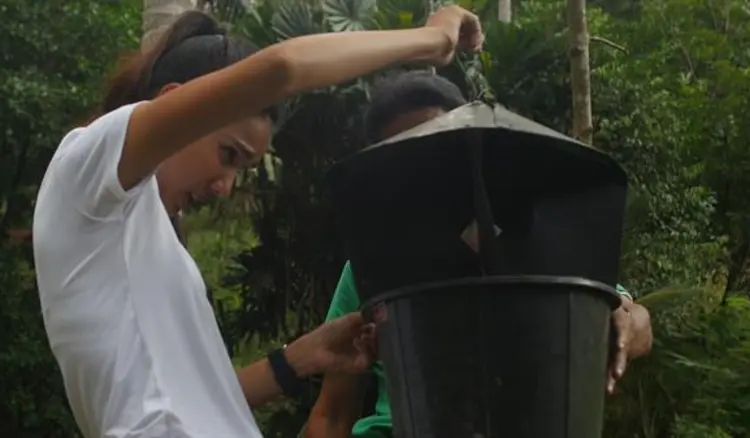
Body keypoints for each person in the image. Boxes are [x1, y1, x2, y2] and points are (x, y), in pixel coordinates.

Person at [31, 7, 484, 438]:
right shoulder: (88, 167)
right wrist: (432, 39)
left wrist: (300, 358)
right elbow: (283, 68)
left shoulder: (148, 241)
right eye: (228, 154)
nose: (224, 187)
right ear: (176, 101)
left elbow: (198, 401)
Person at [302, 72, 654, 438]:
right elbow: (333, 414)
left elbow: (639, 325)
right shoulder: (372, 265)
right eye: (406, 156)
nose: (424, 170)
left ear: (468, 145)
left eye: (436, 147)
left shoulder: (531, 237)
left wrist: (627, 318)